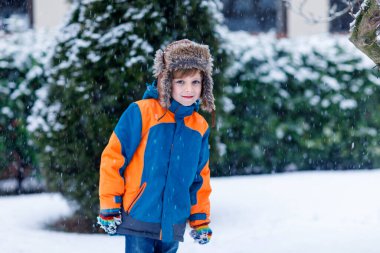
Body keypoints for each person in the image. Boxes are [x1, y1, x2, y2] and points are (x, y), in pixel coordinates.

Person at [97, 39, 215, 253]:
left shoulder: (200, 127)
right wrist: (110, 204)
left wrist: (200, 218)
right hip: (140, 215)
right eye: (181, 82)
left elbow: (200, 177)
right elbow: (113, 158)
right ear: (166, 81)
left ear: (204, 85)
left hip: (174, 222)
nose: (189, 89)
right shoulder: (142, 112)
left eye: (195, 82)